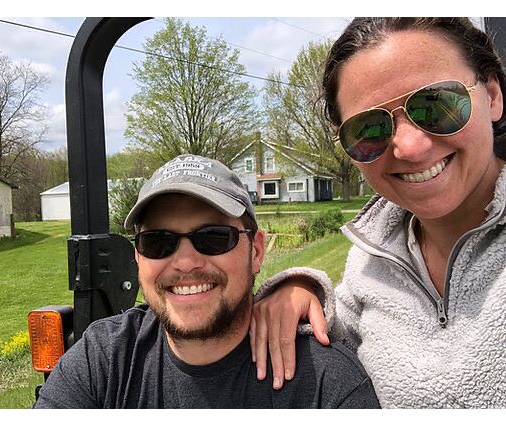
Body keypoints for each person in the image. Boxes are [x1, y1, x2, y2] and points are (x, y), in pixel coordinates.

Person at [251, 17, 506, 409]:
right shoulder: (371, 260)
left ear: (492, 95)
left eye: (436, 105)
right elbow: (339, 335)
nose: (410, 147)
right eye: (369, 129)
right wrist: (301, 290)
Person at [33, 154, 380, 409]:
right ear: (138, 257)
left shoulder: (324, 383)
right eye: (158, 242)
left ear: (256, 251)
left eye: (213, 237)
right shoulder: (104, 360)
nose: (185, 262)